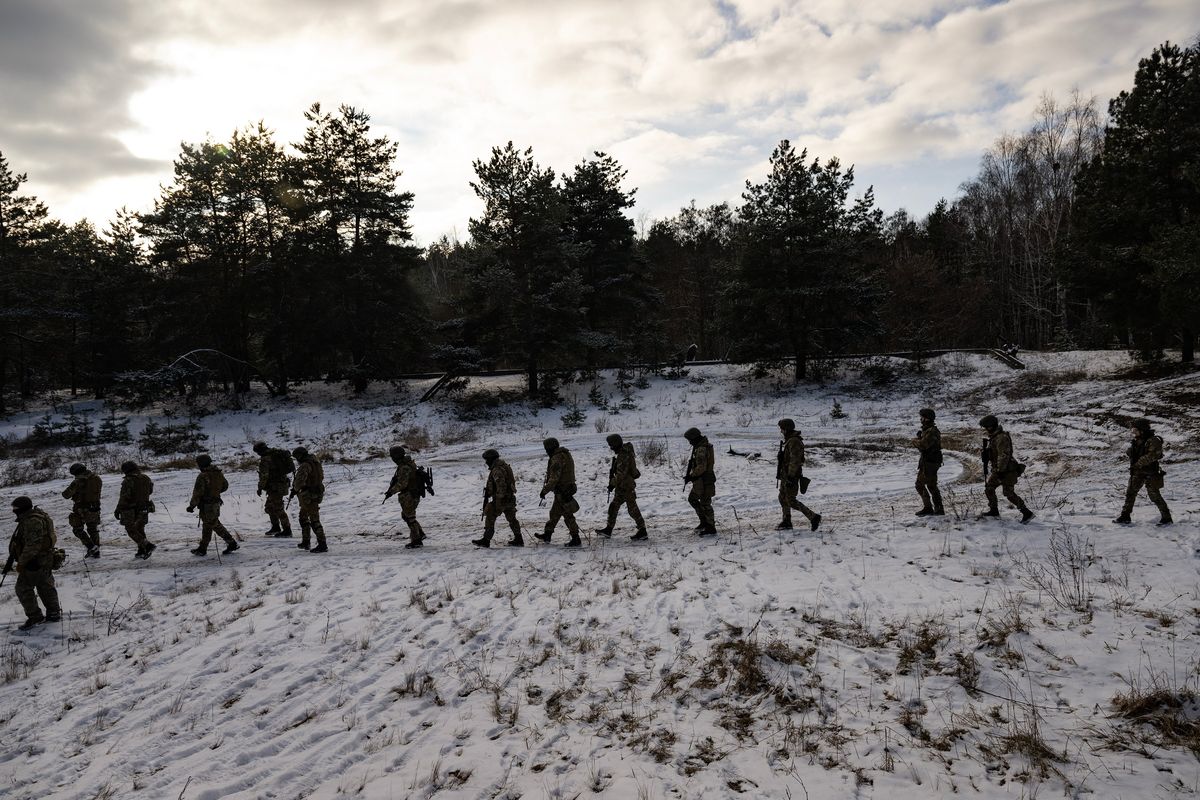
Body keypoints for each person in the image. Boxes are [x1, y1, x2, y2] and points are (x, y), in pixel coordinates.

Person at [6, 496, 62, 631]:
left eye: (16, 509)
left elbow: (33, 545)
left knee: (23, 588)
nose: (14, 511)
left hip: (34, 561)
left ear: (22, 508)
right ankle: (53, 613)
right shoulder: (36, 516)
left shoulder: (32, 521)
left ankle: (35, 616)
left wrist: (22, 562)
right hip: (43, 558)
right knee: (45, 585)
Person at [1114, 418, 1172, 525]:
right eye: (1133, 430)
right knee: (1130, 494)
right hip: (1137, 472)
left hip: (1151, 472)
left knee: (1155, 496)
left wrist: (1138, 464)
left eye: (1135, 430)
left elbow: (1153, 455)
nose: (1133, 433)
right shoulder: (1137, 441)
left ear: (1142, 430)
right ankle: (1125, 516)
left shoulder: (1154, 440)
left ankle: (1167, 518)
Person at [979, 415, 1034, 523]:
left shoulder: (1001, 438)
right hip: (1000, 470)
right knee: (989, 488)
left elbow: (1003, 456)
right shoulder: (994, 437)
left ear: (992, 426)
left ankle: (1027, 513)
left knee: (1008, 493)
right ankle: (994, 510)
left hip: (1007, 471)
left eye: (987, 427)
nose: (986, 429)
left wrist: (1000, 471)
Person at [596, 433, 649, 541]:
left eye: (612, 445)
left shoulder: (624, 455)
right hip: (622, 487)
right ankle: (609, 529)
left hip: (627, 487)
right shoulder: (622, 454)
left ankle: (642, 530)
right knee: (613, 507)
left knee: (633, 509)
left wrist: (612, 484)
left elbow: (621, 474)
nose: (611, 448)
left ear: (616, 444)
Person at [187, 454, 239, 556]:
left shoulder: (203, 476)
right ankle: (202, 548)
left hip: (207, 506)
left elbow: (197, 493)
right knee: (207, 525)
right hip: (215, 503)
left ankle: (232, 543)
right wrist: (215, 492)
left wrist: (192, 505)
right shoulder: (218, 473)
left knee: (214, 525)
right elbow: (225, 486)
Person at [776, 418, 822, 531]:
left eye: (782, 429)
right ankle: (787, 521)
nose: (781, 431)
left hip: (791, 476)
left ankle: (813, 517)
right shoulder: (789, 440)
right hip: (786, 475)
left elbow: (795, 461)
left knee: (790, 500)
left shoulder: (794, 441)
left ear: (786, 429)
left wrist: (791, 477)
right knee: (782, 497)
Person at [536, 438, 581, 547]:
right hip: (566, 488)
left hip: (562, 490)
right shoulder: (565, 454)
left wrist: (544, 490)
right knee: (555, 513)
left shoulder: (557, 458)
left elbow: (554, 478)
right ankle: (547, 534)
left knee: (567, 515)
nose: (546, 451)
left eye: (546, 449)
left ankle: (576, 538)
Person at [473, 449, 523, 548]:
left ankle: (486, 540)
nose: (486, 462)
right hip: (510, 498)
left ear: (491, 459)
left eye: (487, 460)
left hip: (502, 500)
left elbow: (501, 487)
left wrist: (498, 502)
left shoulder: (497, 470)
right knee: (512, 519)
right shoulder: (504, 466)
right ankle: (519, 538)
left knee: (490, 516)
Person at [384, 445, 427, 549]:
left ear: (396, 457)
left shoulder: (404, 467)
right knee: (406, 515)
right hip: (411, 494)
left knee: (410, 517)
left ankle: (416, 541)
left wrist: (391, 492)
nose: (392, 459)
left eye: (393, 457)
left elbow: (402, 484)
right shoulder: (407, 463)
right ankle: (420, 534)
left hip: (410, 495)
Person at [115, 461, 157, 559]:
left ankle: (147, 545)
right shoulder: (146, 478)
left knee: (130, 529)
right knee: (140, 529)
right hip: (144, 507)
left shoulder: (128, 481)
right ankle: (142, 550)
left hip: (130, 509)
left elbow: (124, 497)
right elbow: (150, 491)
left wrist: (118, 509)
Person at [254, 441, 294, 537]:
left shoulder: (265, 459)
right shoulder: (276, 454)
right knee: (270, 507)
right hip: (280, 485)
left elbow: (264, 476)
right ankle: (276, 527)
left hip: (275, 487)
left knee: (278, 508)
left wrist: (260, 488)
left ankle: (287, 530)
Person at [62, 462, 102, 557]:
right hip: (95, 507)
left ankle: (91, 547)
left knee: (77, 530)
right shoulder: (97, 478)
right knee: (93, 529)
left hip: (82, 509)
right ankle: (96, 551)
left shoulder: (78, 481)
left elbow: (66, 495)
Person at [290, 447, 327, 552]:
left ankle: (322, 544)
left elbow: (299, 481)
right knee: (303, 517)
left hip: (309, 496)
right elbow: (321, 476)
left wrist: (295, 490)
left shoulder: (305, 465)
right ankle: (306, 541)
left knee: (314, 520)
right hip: (315, 493)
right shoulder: (315, 462)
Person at [683, 427, 717, 536]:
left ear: (695, 438)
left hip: (705, 479)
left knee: (705, 503)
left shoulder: (701, 449)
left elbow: (701, 467)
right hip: (701, 480)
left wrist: (691, 476)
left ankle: (710, 527)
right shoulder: (700, 446)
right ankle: (704, 522)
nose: (689, 442)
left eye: (690, 440)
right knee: (693, 499)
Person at [913, 409, 945, 516]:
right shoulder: (928, 430)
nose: (921, 419)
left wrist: (915, 441)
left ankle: (929, 508)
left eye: (922, 417)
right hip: (929, 461)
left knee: (920, 485)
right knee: (931, 485)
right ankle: (938, 508)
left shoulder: (931, 431)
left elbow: (923, 445)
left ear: (927, 418)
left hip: (930, 462)